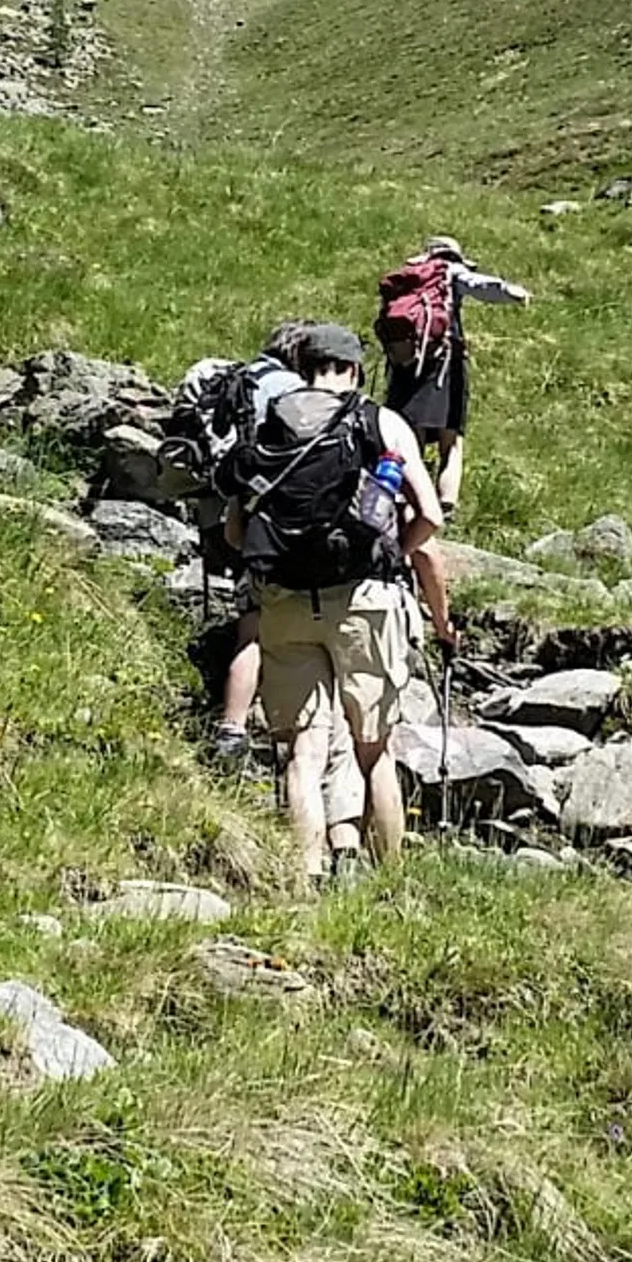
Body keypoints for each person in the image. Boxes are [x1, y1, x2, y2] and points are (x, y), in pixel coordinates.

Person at [234, 324, 449, 878]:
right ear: (354, 370)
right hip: (364, 599)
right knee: (373, 749)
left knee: (303, 751)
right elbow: (431, 515)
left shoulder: (268, 424)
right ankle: (389, 881)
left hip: (285, 600)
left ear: (300, 367)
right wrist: (394, 554)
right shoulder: (380, 421)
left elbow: (236, 530)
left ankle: (306, 879)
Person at [197, 322, 314, 758]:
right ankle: (294, 733)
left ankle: (231, 727)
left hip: (242, 512)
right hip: (287, 521)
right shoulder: (294, 391)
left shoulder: (242, 377)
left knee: (250, 627)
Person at [373, 235, 532, 512]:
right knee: (451, 441)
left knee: (409, 435)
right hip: (444, 365)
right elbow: (478, 285)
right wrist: (509, 291)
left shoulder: (407, 280)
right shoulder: (449, 271)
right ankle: (445, 503)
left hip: (404, 365)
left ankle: (404, 499)